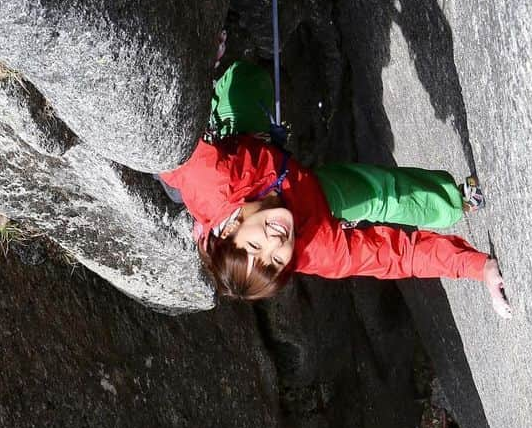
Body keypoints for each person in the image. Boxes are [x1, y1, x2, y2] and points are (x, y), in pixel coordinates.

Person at [160, 61, 512, 315]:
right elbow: (395, 256)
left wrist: (204, 61)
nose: (275, 242)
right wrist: (476, 267)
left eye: (255, 244)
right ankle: (455, 200)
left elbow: (167, 138)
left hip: (242, 153)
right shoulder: (314, 247)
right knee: (379, 193)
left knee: (246, 78)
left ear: (234, 227)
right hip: (307, 199)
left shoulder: (212, 179)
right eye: (278, 260)